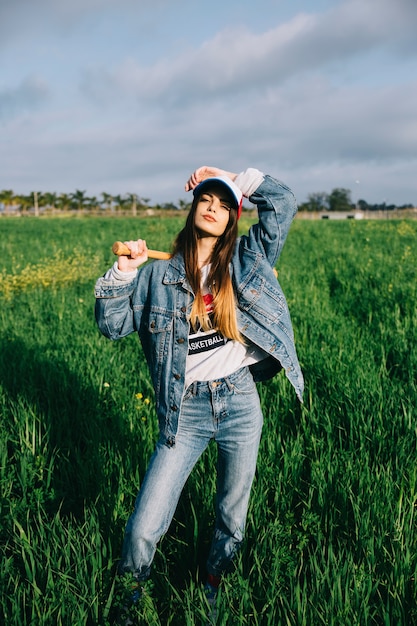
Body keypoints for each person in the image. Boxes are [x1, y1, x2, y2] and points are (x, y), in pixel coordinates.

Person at [94, 165, 304, 617]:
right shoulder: (158, 275)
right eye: (207, 200)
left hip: (240, 402)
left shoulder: (249, 259)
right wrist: (123, 272)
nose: (213, 208)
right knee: (144, 526)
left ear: (233, 219)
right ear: (193, 210)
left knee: (232, 513)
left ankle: (214, 585)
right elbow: (111, 326)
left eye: (225, 205)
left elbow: (283, 204)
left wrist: (237, 177)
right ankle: (129, 602)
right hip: (184, 412)